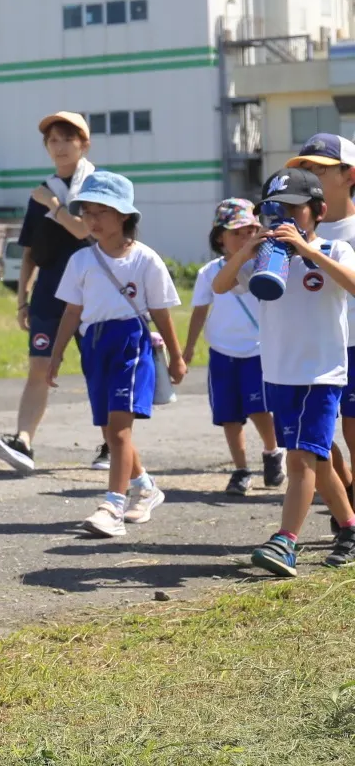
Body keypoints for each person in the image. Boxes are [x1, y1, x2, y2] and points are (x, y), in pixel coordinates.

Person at [215, 169, 355, 574]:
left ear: (318, 211)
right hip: (278, 374)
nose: (285, 218)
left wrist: (308, 252)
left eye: (295, 209)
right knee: (319, 458)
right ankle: (349, 527)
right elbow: (222, 285)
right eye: (276, 210)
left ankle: (285, 541)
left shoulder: (335, 249)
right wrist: (247, 250)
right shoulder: (265, 260)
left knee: (299, 461)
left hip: (321, 375)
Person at [44, 171, 186, 539]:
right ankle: (145, 486)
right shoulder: (81, 261)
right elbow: (71, 313)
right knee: (110, 428)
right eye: (87, 211)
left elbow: (160, 312)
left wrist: (176, 355)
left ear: (124, 215)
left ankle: (113, 507)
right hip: (93, 344)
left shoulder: (145, 260)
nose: (92, 219)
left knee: (119, 431)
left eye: (101, 211)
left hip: (130, 343)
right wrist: (56, 356)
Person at [0, 111, 94, 476]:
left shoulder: (97, 188)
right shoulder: (41, 192)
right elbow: (28, 250)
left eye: (67, 138)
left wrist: (55, 206)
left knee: (98, 369)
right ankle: (23, 442)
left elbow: (82, 231)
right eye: (52, 140)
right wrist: (22, 299)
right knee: (39, 369)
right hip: (49, 293)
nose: (59, 146)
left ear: (84, 143)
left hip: (93, 294)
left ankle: (112, 444)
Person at [184, 199, 282, 496]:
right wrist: (186, 351)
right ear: (219, 237)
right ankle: (240, 470)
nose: (243, 237)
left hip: (257, 350)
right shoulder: (208, 272)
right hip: (222, 353)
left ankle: (272, 451)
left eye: (249, 230)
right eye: (236, 232)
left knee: (259, 408)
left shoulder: (265, 266)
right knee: (228, 414)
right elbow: (200, 311)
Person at [284, 133, 355, 513]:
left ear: (349, 174)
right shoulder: (301, 229)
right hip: (315, 349)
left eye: (320, 169)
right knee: (318, 439)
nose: (310, 175)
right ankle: (345, 499)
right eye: (304, 169)